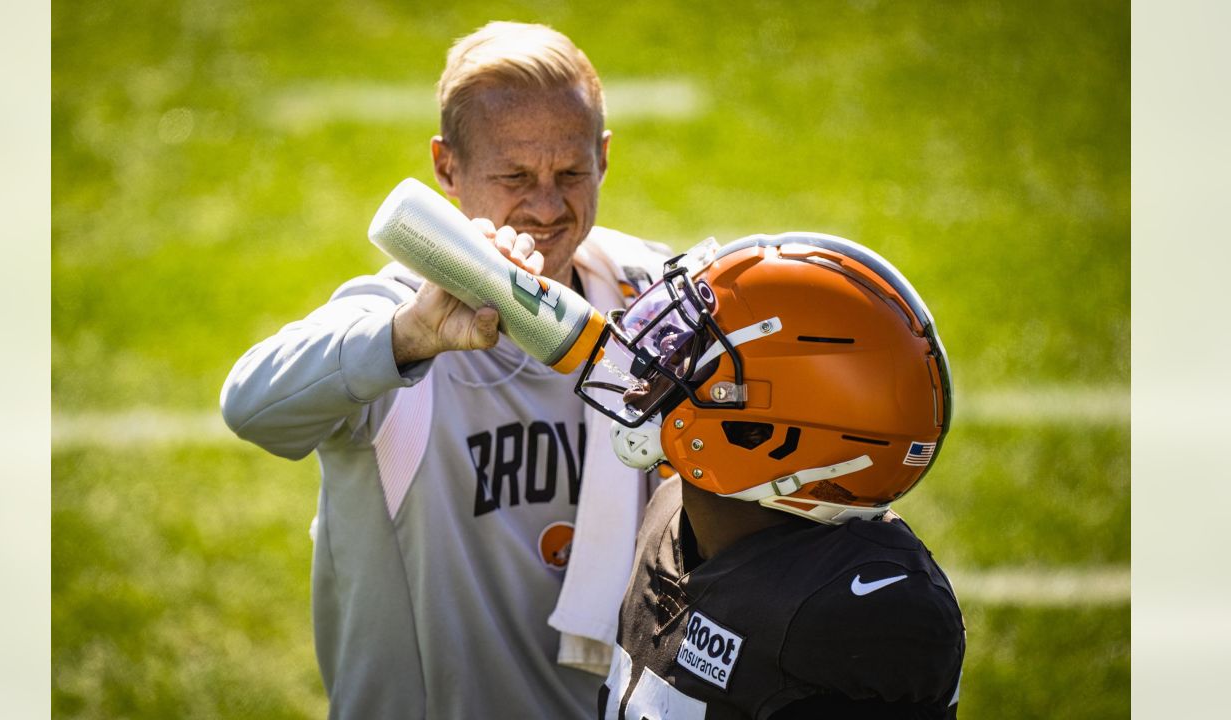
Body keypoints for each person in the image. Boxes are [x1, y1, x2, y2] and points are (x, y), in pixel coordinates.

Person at [220, 22, 670, 719]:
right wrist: (408, 338)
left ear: (604, 158)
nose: (548, 207)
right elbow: (250, 404)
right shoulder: (395, 312)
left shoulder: (649, 299)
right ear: (446, 168)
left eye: (571, 173)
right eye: (515, 177)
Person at [574, 233, 966, 718]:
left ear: (761, 429)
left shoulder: (867, 615)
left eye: (694, 351)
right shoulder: (674, 510)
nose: (661, 358)